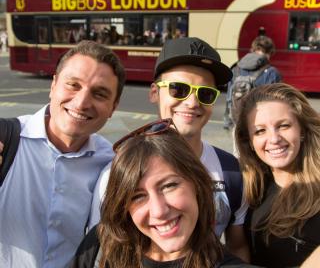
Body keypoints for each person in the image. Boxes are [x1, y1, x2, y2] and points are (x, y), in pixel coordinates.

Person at [90, 37, 250, 262]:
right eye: (179, 89)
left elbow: (238, 246)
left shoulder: (232, 171)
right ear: (154, 92)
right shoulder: (117, 173)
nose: (193, 102)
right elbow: (106, 248)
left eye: (205, 93)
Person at [0, 40, 126, 268]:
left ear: (113, 107)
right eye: (73, 85)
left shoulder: (111, 164)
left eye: (99, 94)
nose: (81, 102)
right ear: (53, 86)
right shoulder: (6, 139)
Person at [70, 121, 259, 268]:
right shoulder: (101, 245)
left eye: (169, 186)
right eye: (137, 196)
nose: (159, 211)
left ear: (198, 185)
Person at [235, 83, 320, 267]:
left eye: (283, 126)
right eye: (260, 131)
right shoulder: (247, 187)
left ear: (302, 131)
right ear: (249, 141)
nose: (274, 139)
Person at [224, 35, 281, 130]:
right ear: (269, 52)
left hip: (237, 122)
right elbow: (277, 102)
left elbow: (229, 98)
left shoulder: (235, 69)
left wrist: (228, 122)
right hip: (261, 126)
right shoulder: (272, 72)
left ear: (253, 49)